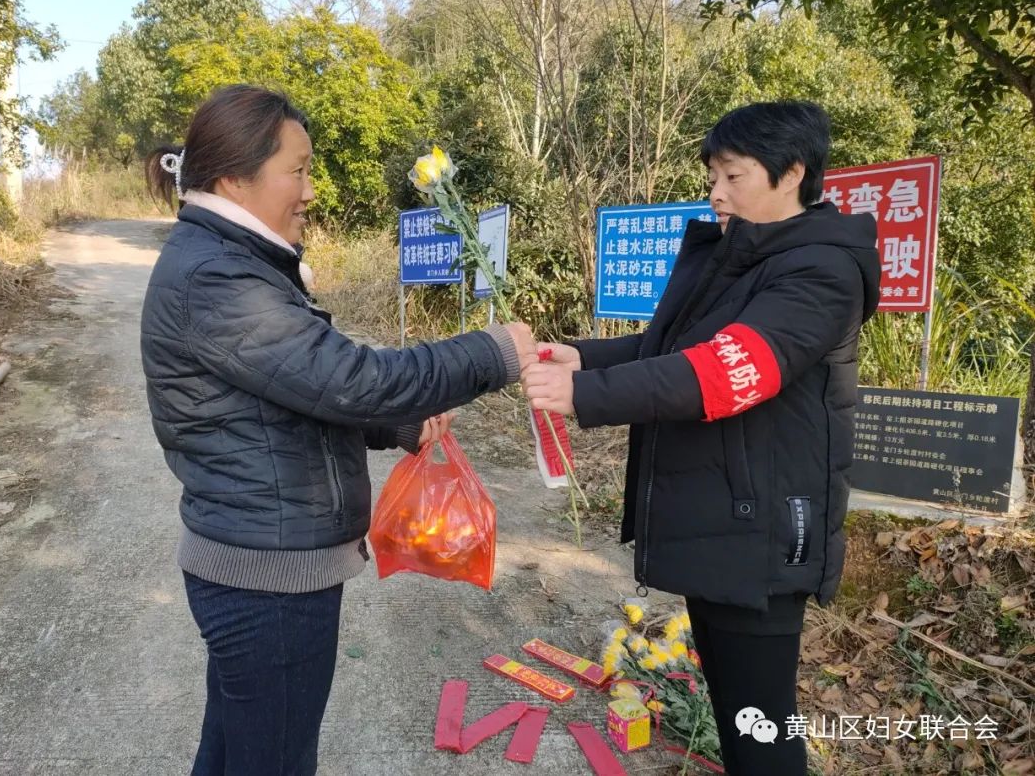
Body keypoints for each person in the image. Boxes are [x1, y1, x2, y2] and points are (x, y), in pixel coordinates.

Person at [140, 84, 536, 776]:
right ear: (234, 179)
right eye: (296, 171)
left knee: (235, 751)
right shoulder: (217, 276)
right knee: (275, 761)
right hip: (267, 579)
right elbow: (351, 378)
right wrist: (493, 352)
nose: (311, 191)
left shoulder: (232, 260)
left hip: (259, 563)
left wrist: (401, 422)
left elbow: (296, 388)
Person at [522, 100, 881, 775]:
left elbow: (727, 370)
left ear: (791, 174)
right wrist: (583, 360)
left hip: (763, 531)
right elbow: (670, 348)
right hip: (723, 521)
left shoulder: (821, 271)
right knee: (739, 720)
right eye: (713, 176)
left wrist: (585, 395)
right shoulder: (742, 256)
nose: (716, 193)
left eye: (732, 176)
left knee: (761, 730)